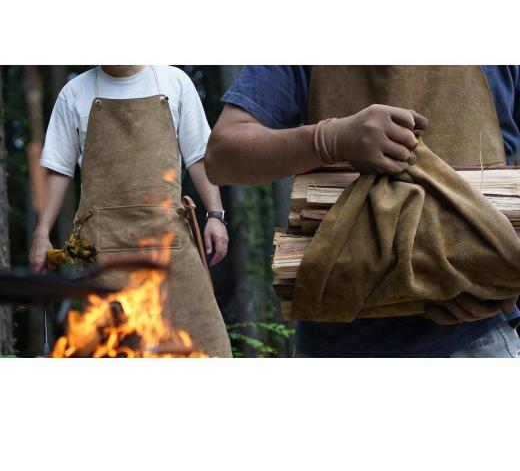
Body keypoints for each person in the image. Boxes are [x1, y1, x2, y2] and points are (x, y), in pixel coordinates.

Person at [205, 65, 520, 357]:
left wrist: (498, 281)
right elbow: (221, 157)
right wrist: (329, 139)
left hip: (477, 341)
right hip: (335, 347)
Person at [30, 65, 232, 357]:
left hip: (169, 249)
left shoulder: (174, 82)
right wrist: (41, 234)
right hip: (104, 252)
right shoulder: (74, 93)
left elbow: (200, 156)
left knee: (207, 346)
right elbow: (58, 169)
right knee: (115, 351)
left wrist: (216, 215)